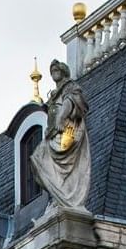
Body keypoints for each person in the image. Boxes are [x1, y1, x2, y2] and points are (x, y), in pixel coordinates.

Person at [31, 59, 91, 210]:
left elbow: (70, 102)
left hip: (68, 129)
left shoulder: (70, 86)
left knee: (51, 160)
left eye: (56, 70)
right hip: (54, 132)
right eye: (52, 71)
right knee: (38, 158)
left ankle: (64, 197)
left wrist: (61, 118)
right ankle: (59, 195)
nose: (54, 73)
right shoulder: (55, 92)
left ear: (63, 71)